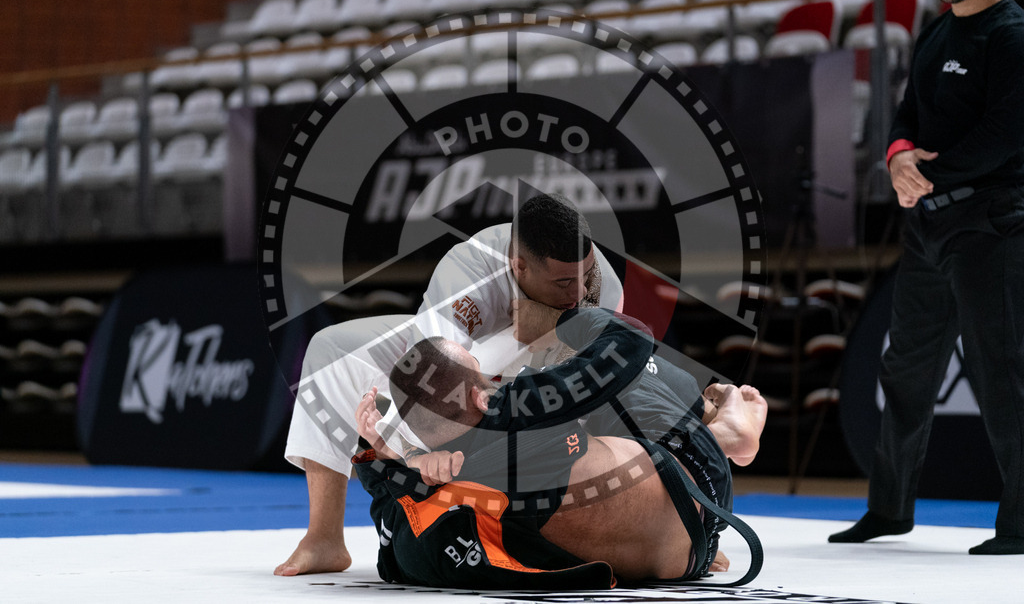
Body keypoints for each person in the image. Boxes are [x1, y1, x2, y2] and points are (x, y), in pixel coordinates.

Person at [275, 194, 624, 576]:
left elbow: (594, 377)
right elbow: (433, 372)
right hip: (460, 362)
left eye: (583, 276)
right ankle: (324, 538)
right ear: (519, 266)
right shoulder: (468, 269)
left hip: (537, 378)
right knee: (333, 349)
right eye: (563, 282)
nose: (578, 292)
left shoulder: (602, 286)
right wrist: (408, 450)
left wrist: (545, 323)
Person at [829, 0, 1024, 555]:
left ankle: (1020, 524)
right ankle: (888, 510)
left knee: (1002, 373)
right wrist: (895, 162)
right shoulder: (936, 30)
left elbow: (1005, 136)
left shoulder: (1012, 35)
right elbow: (908, 115)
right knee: (905, 371)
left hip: (990, 226)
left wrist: (926, 174)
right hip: (928, 226)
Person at [353, 307, 767, 588]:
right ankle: (728, 431)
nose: (497, 382)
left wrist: (390, 458)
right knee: (615, 382)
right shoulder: (521, 412)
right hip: (702, 479)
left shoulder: (415, 532)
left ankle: (714, 430)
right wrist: (565, 318)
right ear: (482, 399)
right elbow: (630, 342)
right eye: (485, 378)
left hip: (684, 562)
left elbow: (387, 530)